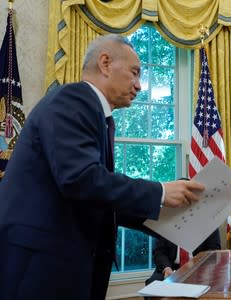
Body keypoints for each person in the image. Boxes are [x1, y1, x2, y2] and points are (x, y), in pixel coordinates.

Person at [0, 34, 205, 300]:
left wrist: (166, 217)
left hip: (58, 264)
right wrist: (161, 192)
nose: (140, 85)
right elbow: (81, 179)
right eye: (134, 73)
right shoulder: (74, 99)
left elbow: (97, 197)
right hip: (40, 266)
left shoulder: (94, 113)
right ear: (105, 63)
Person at [145, 229, 221, 285]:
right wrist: (166, 268)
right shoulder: (167, 223)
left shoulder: (210, 222)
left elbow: (214, 251)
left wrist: (199, 269)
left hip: (199, 267)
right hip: (170, 267)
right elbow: (159, 252)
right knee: (152, 285)